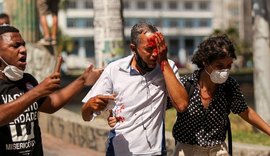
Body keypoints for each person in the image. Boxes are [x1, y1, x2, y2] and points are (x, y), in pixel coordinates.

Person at [81, 22, 189, 156]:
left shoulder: (166, 67)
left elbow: (182, 105)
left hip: (155, 152)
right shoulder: (115, 69)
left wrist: (164, 62)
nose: (155, 54)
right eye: (149, 49)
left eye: (158, 48)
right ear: (133, 48)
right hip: (119, 151)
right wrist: (88, 106)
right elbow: (86, 116)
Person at [0, 25, 103, 155]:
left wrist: (82, 80)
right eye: (15, 46)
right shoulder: (30, 90)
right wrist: (37, 91)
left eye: (23, 45)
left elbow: (51, 104)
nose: (23, 50)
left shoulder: (28, 81)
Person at [171, 34, 270, 156]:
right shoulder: (186, 84)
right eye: (219, 66)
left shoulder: (229, 86)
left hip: (217, 150)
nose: (225, 71)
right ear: (205, 62)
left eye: (229, 66)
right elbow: (159, 108)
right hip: (186, 150)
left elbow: (246, 112)